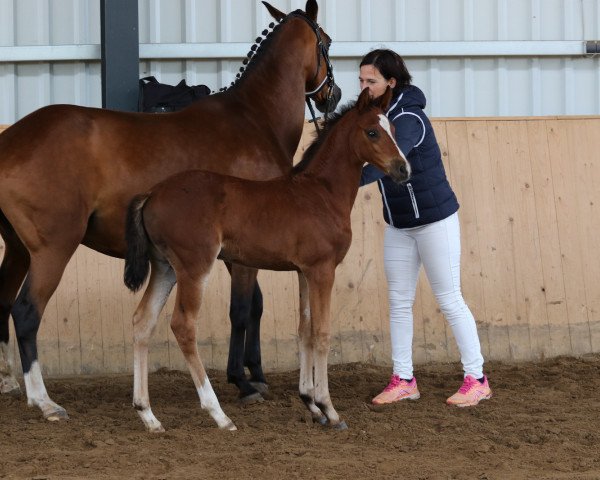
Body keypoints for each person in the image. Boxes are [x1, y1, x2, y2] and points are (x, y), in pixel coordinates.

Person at [358, 49, 492, 407]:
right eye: (361, 80)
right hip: (399, 226)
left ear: (391, 82)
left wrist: (339, 181)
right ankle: (404, 379)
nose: (364, 87)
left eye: (371, 81)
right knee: (399, 302)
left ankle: (477, 378)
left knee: (449, 299)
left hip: (435, 222)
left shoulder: (410, 118)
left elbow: (385, 162)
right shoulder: (374, 116)